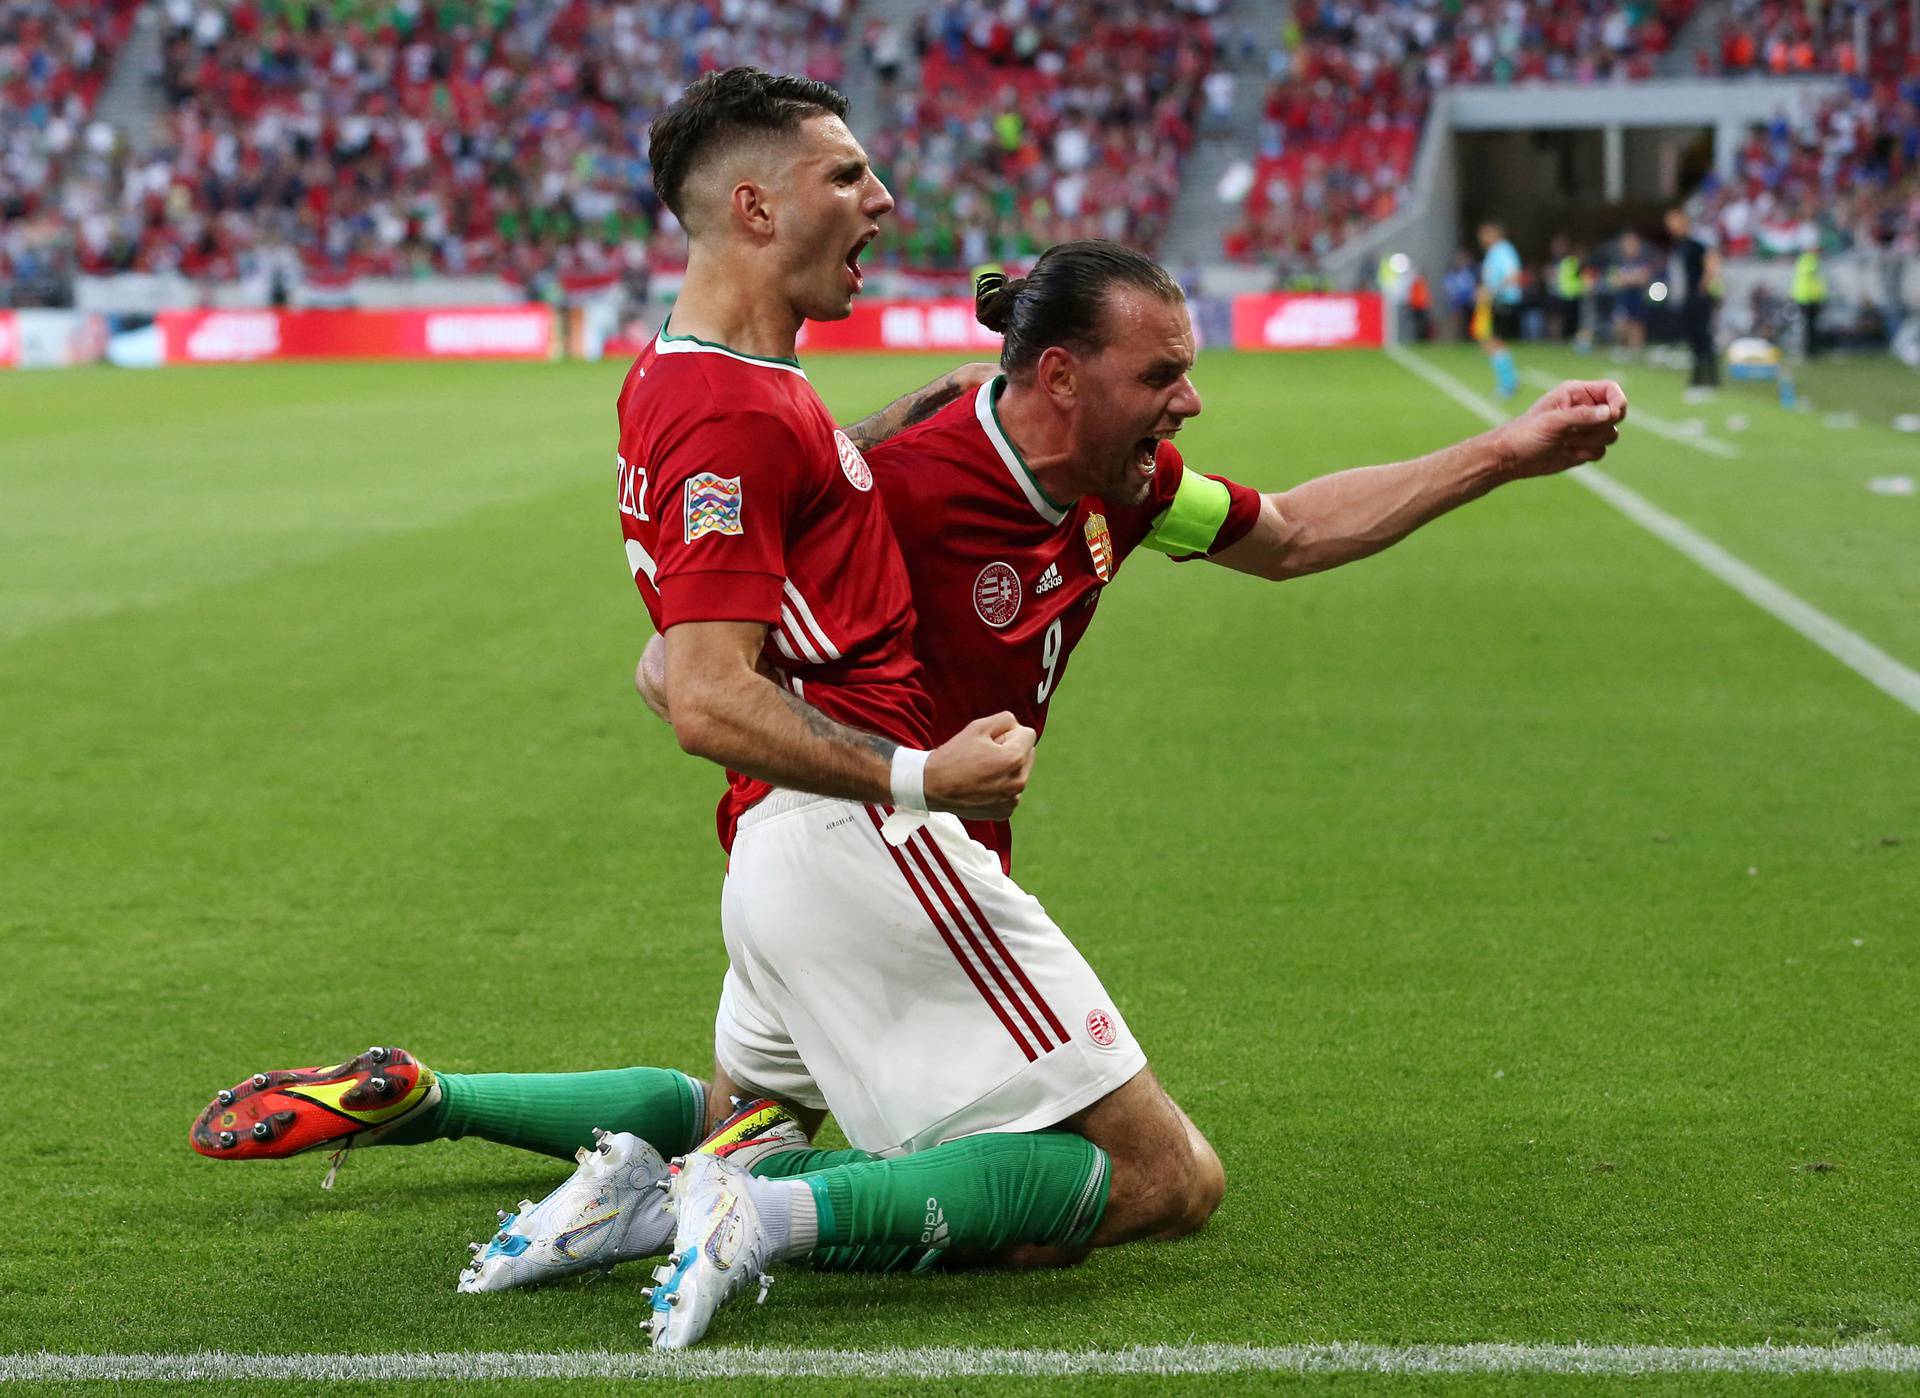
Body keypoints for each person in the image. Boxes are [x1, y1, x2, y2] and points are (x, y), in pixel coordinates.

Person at [189, 238, 1630, 1341]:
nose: (1186, 401)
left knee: (743, 1102)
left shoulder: (1123, 480)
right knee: (1159, 1177)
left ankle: (433, 1099)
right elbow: (675, 668)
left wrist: (1506, 454)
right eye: (1159, 374)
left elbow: (1296, 530)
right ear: (1058, 374)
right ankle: (750, 1219)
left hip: (797, 870)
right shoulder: (897, 477)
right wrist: (893, 766)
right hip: (880, 844)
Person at [1667, 206, 1721, 395]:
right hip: (1686, 298)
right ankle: (1698, 376)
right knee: (1693, 339)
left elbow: (1711, 263)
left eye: (1673, 221)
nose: (1670, 226)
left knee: (1703, 337)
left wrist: (1702, 289)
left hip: (1698, 298)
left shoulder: (1697, 242)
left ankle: (1712, 378)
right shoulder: (1679, 245)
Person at [1476, 222, 1523, 399]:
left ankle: (1508, 384)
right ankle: (1509, 381)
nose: (1482, 238)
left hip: (1504, 301)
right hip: (1496, 301)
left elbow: (1513, 275)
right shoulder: (1495, 252)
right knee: (1490, 341)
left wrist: (1492, 290)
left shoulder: (1503, 250)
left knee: (1494, 341)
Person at [1609, 230, 1655, 358]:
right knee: (1621, 324)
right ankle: (1623, 348)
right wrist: (1630, 278)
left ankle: (1635, 351)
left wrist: (1628, 278)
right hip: (1623, 297)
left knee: (1637, 324)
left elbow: (1643, 278)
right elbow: (1615, 280)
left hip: (1637, 297)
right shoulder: (1619, 260)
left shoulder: (1642, 260)